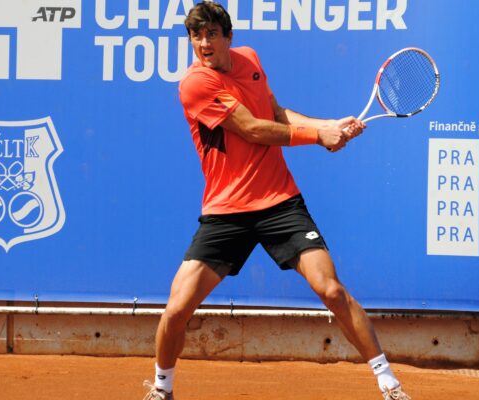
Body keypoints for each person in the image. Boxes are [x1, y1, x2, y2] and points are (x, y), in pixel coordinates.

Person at [143, 2, 411, 399]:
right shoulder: (195, 84)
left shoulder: (249, 59)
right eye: (196, 37)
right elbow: (251, 129)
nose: (203, 43)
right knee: (177, 310)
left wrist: (328, 125)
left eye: (211, 35)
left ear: (227, 38)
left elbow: (275, 113)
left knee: (332, 290)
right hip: (226, 211)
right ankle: (162, 389)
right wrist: (318, 138)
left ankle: (389, 384)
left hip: (279, 201)